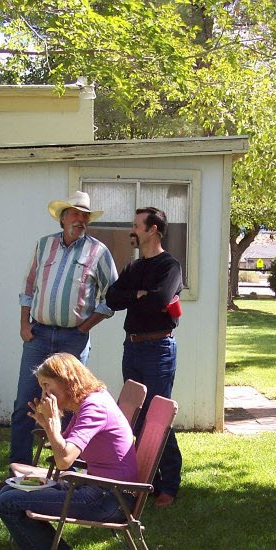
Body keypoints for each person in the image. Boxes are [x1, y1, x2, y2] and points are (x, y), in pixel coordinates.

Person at [0, 353, 138, 550]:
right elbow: (65, 450)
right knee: (8, 494)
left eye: (47, 385)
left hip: (110, 498)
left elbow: (64, 460)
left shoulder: (93, 407)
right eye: (41, 386)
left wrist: (52, 426)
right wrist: (49, 423)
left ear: (66, 381)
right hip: (100, 489)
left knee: (8, 502)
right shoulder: (90, 401)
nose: (44, 393)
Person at [10, 191, 118, 466]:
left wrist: (84, 327)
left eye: (85, 216)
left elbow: (113, 297)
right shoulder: (43, 246)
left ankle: (63, 470)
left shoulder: (98, 251)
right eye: (75, 213)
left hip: (73, 340)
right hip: (39, 335)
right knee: (25, 403)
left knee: (71, 405)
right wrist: (24, 324)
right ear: (62, 218)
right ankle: (19, 469)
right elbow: (28, 288)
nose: (80, 220)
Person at [105, 207, 183, 508]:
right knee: (135, 415)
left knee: (158, 417)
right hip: (133, 347)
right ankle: (149, 481)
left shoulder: (170, 266)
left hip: (158, 349)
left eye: (137, 225)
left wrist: (137, 297)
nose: (132, 230)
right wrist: (138, 294)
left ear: (153, 230)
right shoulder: (134, 268)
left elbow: (161, 300)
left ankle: (170, 485)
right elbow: (112, 298)